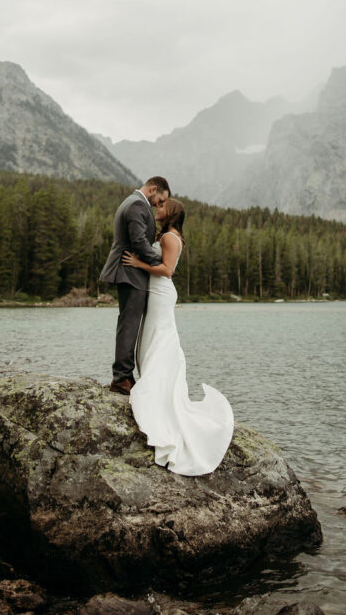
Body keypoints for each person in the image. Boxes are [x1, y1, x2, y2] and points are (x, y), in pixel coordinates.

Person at [122, 198, 234, 476]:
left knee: (159, 341)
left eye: (161, 208)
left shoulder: (171, 238)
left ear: (171, 214)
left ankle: (159, 395)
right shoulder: (166, 236)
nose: (157, 210)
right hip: (155, 293)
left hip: (161, 292)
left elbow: (167, 271)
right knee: (149, 343)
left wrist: (139, 262)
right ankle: (154, 387)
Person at [99, 177, 171, 394]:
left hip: (131, 272)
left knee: (128, 323)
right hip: (129, 272)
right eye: (160, 199)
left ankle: (125, 375)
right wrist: (162, 264)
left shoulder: (132, 202)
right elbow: (139, 242)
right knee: (129, 325)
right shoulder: (137, 205)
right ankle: (121, 378)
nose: (159, 204)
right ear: (152, 189)